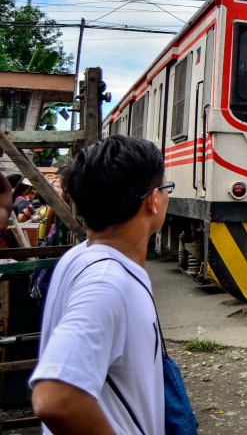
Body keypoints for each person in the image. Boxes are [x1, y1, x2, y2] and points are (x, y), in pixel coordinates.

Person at [30, 135, 178, 433]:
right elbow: (56, 399)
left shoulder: (81, 256)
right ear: (152, 200)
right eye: (165, 188)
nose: (166, 196)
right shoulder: (107, 283)